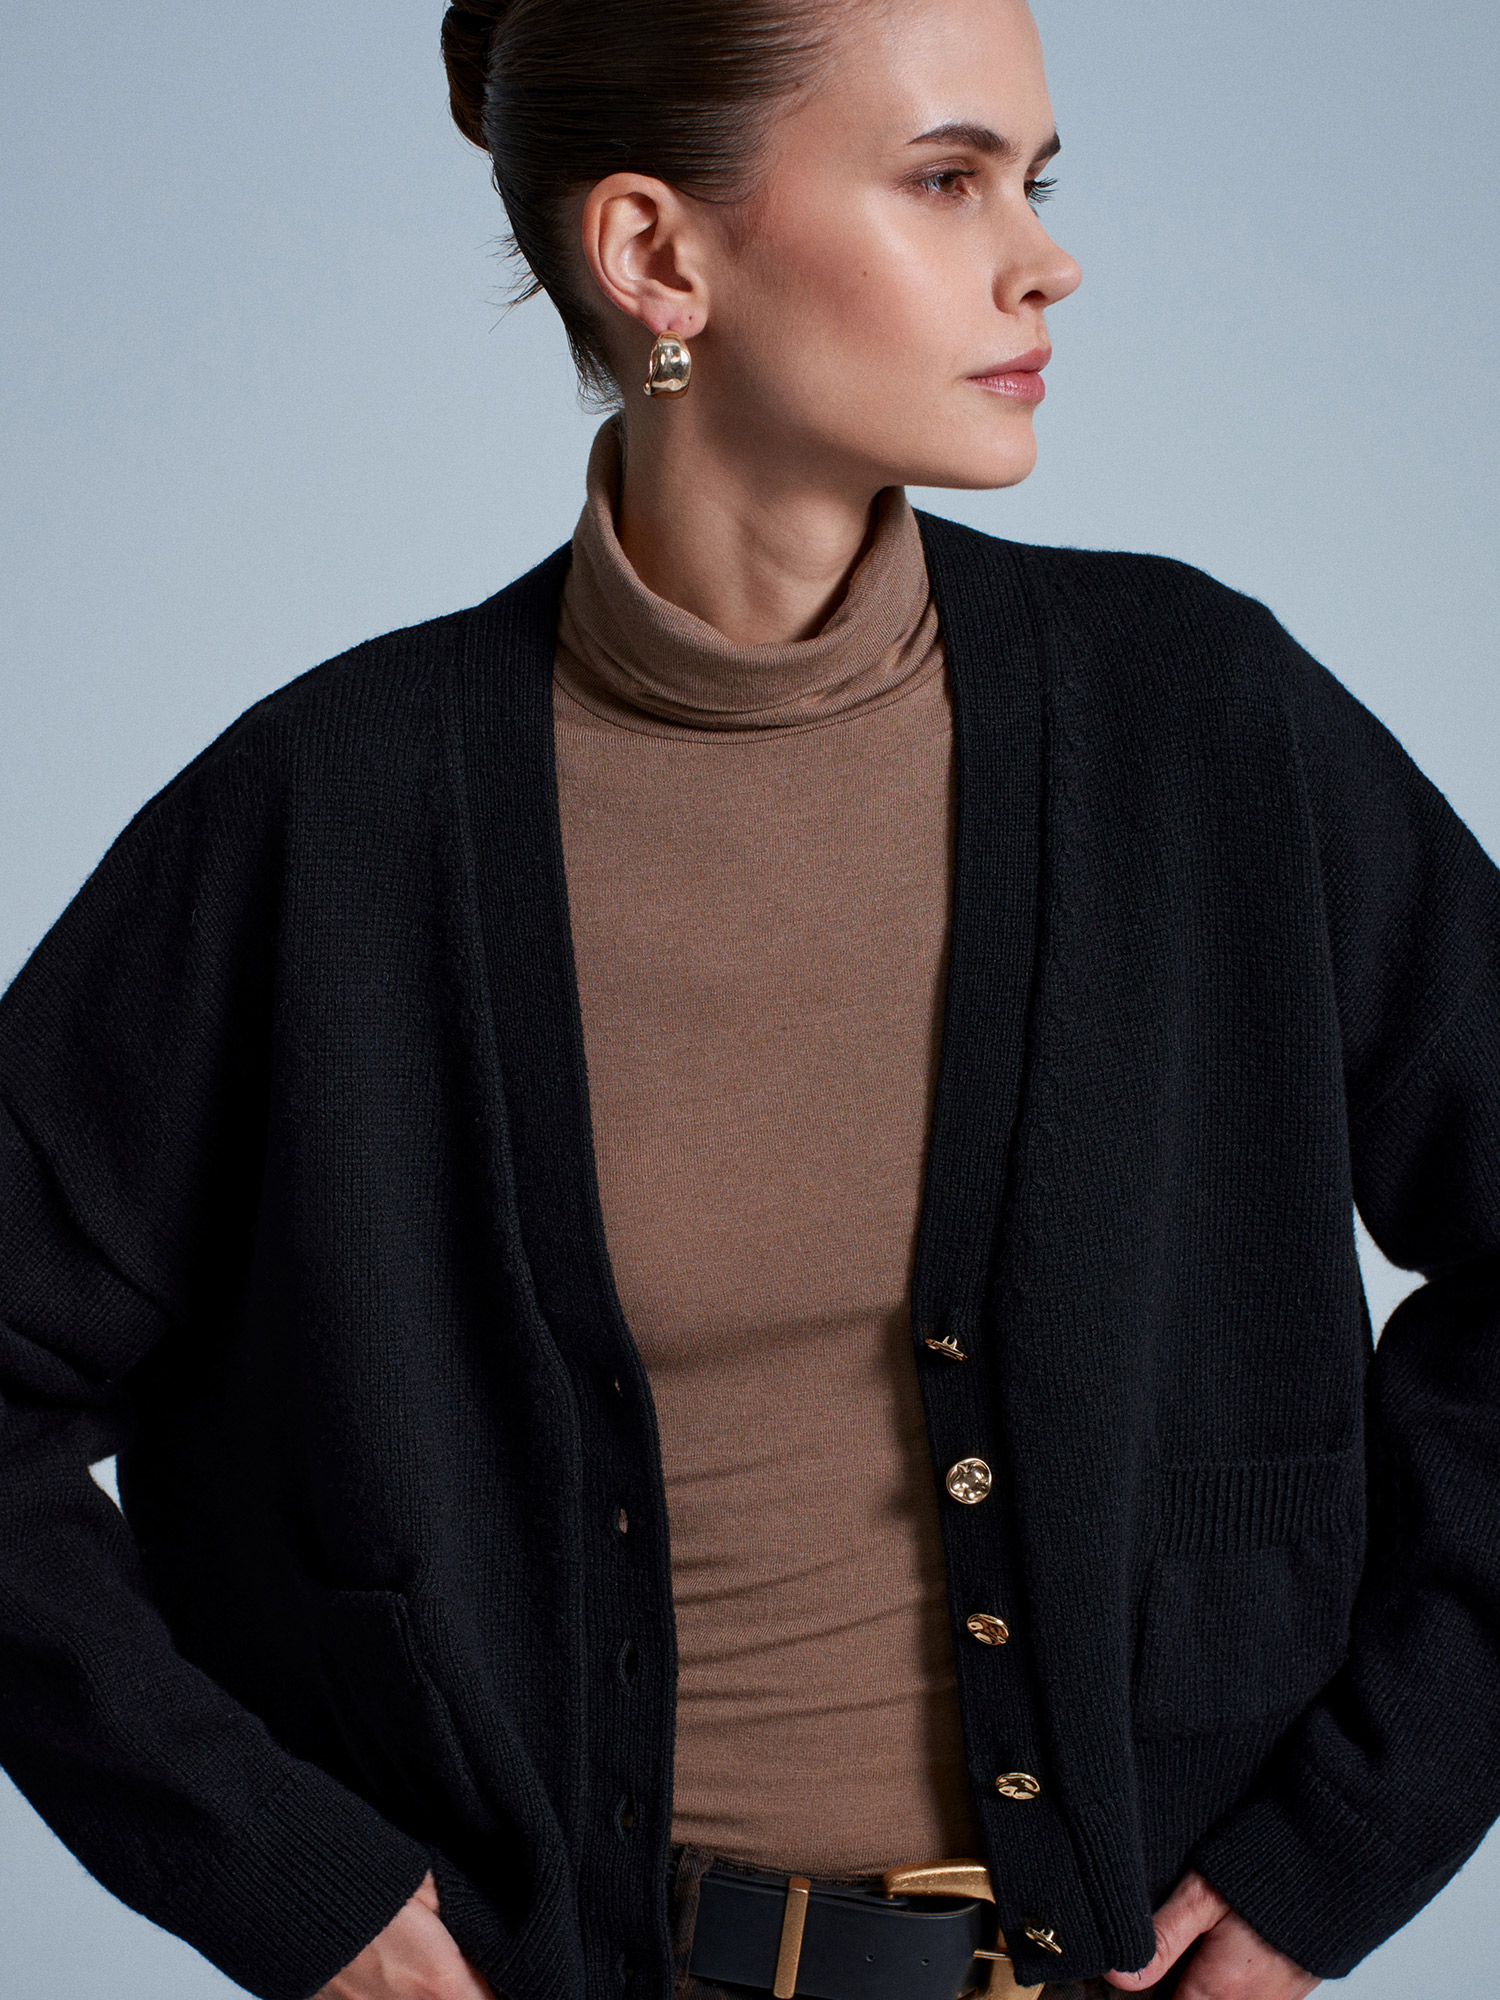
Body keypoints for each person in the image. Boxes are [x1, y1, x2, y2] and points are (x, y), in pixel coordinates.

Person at [0, 1, 1496, 1998]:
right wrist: (284, 1878)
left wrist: (1352, 1828)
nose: (1047, 259)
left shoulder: (1199, 729)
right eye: (947, 178)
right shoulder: (329, 817)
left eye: (1036, 181)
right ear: (656, 255)